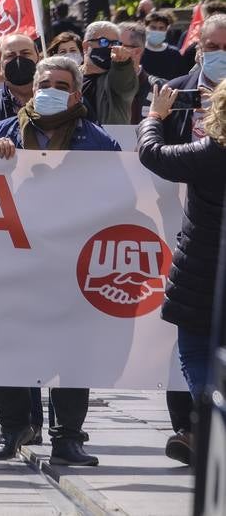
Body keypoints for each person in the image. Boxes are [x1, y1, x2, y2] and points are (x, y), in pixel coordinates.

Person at [0, 55, 118, 467]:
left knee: (72, 351)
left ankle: (68, 437)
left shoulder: (97, 141)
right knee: (8, 346)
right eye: (45, 83)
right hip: (13, 261)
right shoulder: (0, 133)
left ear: (76, 93)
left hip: (71, 264)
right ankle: (12, 428)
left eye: (61, 85)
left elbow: (120, 198)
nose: (51, 92)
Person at [138, 82, 226, 466]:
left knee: (194, 352)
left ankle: (214, 424)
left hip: (202, 273)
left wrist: (155, 116)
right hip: (205, 274)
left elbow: (152, 153)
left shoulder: (210, 153)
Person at [161, 15, 226, 147]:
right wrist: (155, 117)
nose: (221, 53)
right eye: (212, 46)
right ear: (200, 48)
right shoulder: (174, 90)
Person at [82, 21, 138, 124]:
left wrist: (123, 64)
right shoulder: (73, 77)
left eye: (115, 44)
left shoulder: (116, 77)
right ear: (86, 46)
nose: (109, 47)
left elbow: (125, 84)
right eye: (103, 42)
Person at [142, 9, 189, 81]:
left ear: (167, 29)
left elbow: (182, 80)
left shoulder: (174, 54)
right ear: (145, 28)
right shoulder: (138, 52)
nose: (157, 31)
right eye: (153, 27)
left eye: (161, 28)